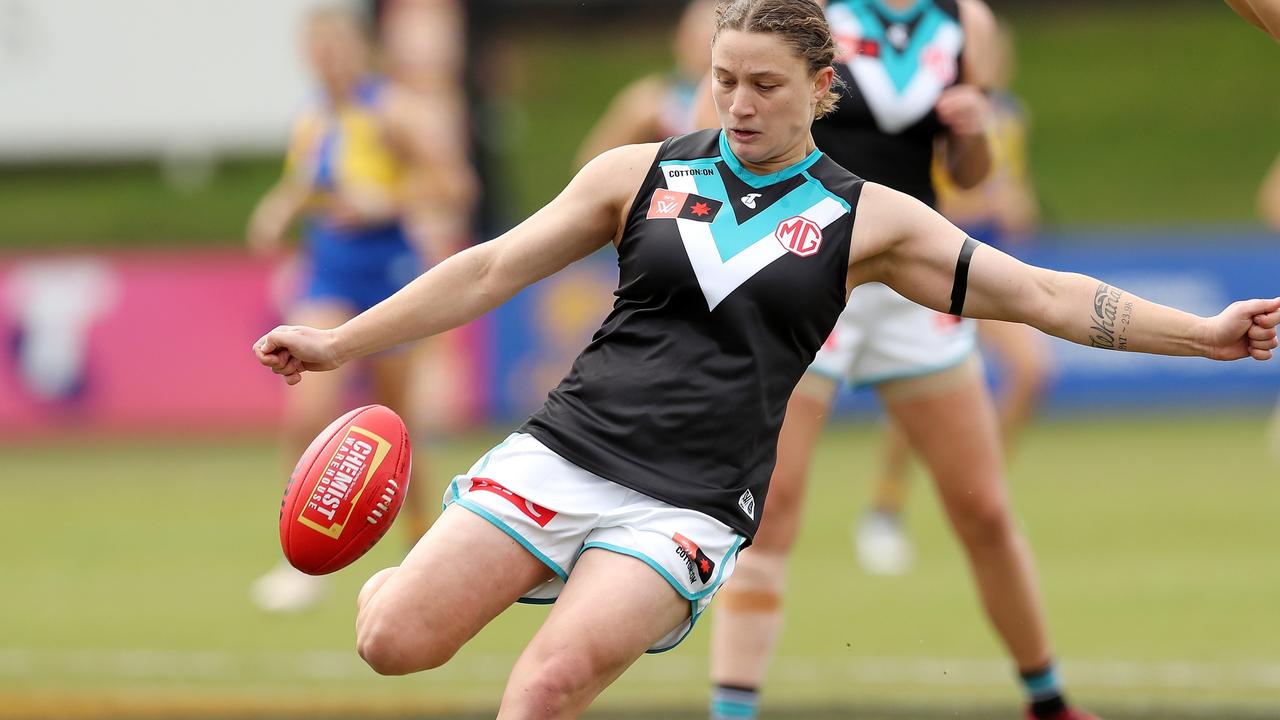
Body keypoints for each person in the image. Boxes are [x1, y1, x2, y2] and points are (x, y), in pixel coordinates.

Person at [254, 1, 1279, 716]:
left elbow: (1043, 295)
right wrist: (338, 341)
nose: (737, 104)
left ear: (820, 88)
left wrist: (1199, 335)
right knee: (393, 644)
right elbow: (483, 271)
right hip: (559, 454)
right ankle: (419, 578)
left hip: (686, 505)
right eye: (722, 81)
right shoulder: (636, 173)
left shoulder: (868, 218)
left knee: (545, 686)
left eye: (763, 85)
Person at [693, 3, 1079, 720]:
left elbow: (970, 174)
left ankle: (1048, 701)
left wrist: (972, 132)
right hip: (806, 266)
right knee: (771, 515)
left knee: (984, 508)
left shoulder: (967, 21)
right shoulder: (805, 12)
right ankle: (732, 711)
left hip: (910, 279)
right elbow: (713, 133)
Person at [246, 5, 475, 613]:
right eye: (317, 49)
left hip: (389, 274)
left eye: (338, 47)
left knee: (395, 429)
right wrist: (279, 207)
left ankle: (425, 545)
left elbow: (455, 185)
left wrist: (390, 201)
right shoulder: (314, 115)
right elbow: (311, 182)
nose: (327, 59)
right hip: (330, 271)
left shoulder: (393, 109)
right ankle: (301, 555)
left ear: (362, 50)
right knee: (307, 411)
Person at [855, 20, 1051, 577]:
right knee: (918, 387)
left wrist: (1018, 207)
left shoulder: (1009, 116)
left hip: (992, 256)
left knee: (1031, 371)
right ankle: (884, 509)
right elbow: (930, 193)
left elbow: (1011, 185)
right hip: (940, 257)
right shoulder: (930, 102)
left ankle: (979, 492)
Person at [575, 0, 717, 166]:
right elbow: (591, 165)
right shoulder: (653, 101)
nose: (708, 54)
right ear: (678, 40)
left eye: (714, 43)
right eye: (700, 42)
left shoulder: (740, 104)